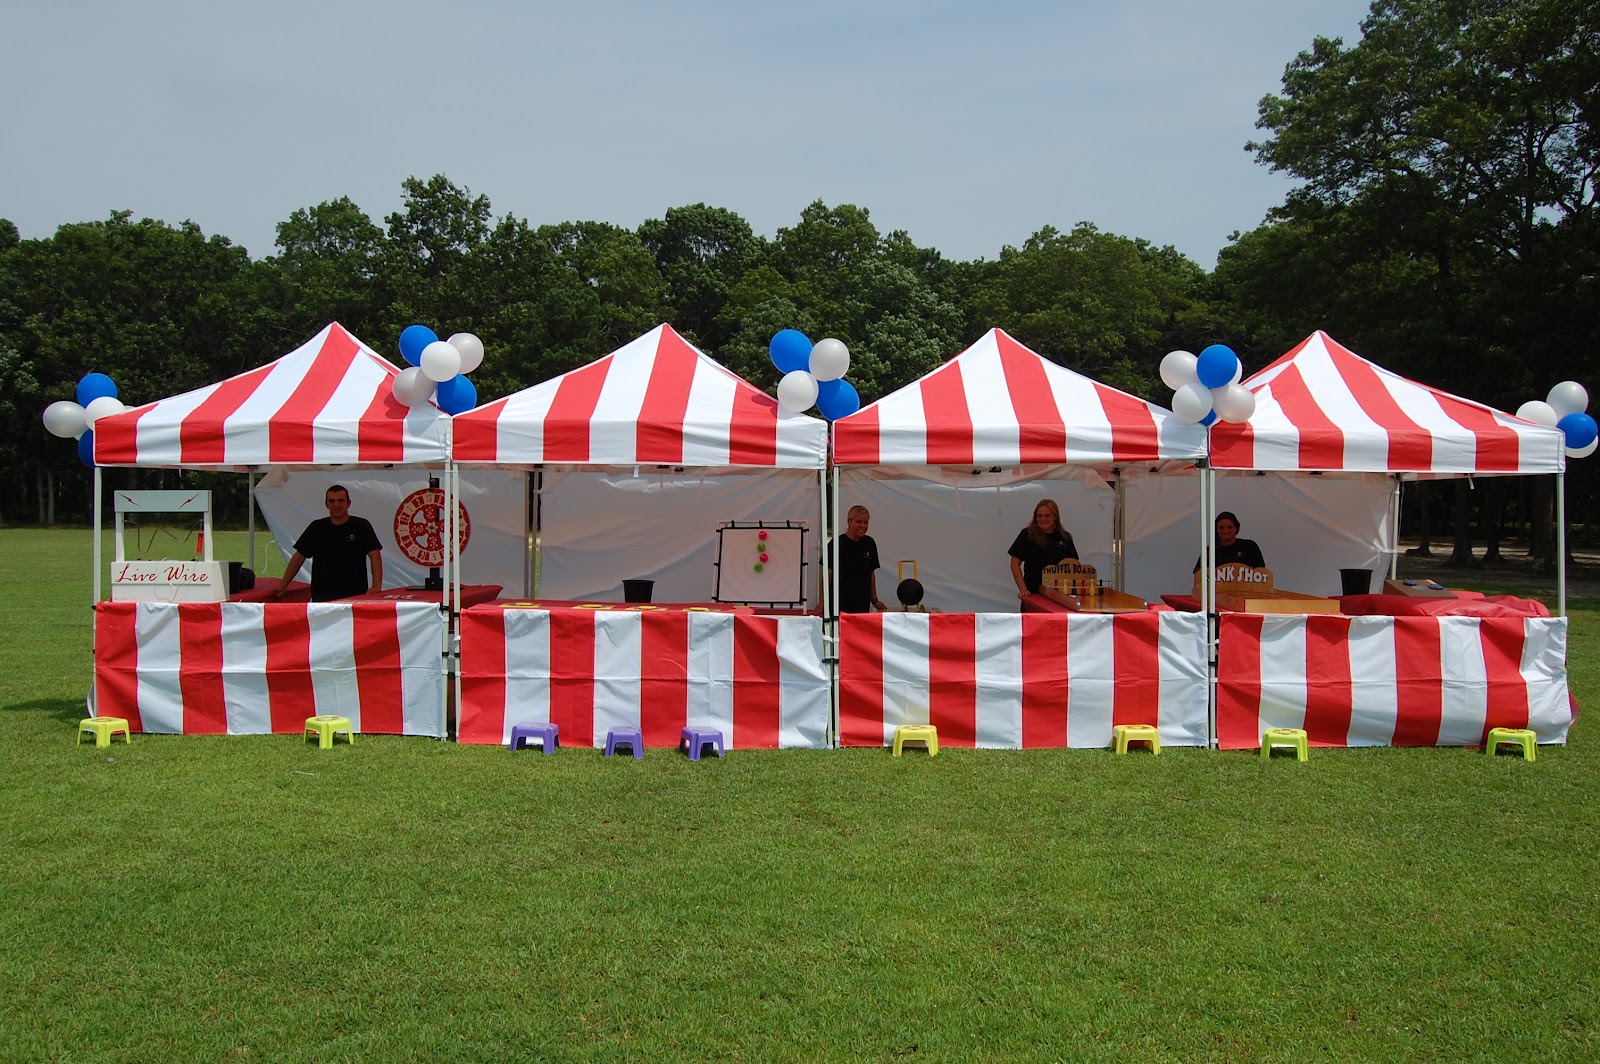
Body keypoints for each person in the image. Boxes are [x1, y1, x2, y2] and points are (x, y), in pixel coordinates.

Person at [273, 484, 384, 602]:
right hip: (322, 598)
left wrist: (376, 586)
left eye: (340, 500)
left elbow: (375, 555)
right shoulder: (316, 527)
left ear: (348, 503)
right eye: (332, 501)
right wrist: (283, 586)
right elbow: (299, 557)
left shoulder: (361, 526)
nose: (336, 505)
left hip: (355, 597)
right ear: (326, 504)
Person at [1008, 499, 1079, 600]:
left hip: (1059, 595)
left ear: (1055, 516)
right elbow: (1014, 564)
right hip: (1033, 594)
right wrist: (1023, 590)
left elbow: (1074, 566)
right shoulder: (1027, 535)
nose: (1043, 519)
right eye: (1039, 516)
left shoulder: (1065, 537)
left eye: (1047, 515)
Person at [829, 505, 886, 613]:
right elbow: (828, 574)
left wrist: (874, 600)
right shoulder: (837, 543)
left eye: (866, 522)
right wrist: (823, 602)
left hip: (862, 604)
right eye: (858, 522)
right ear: (849, 521)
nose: (863, 526)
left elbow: (871, 573)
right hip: (839, 604)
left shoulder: (869, 543)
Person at [1193, 510, 1267, 572]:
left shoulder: (1249, 547)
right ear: (1216, 529)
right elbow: (1198, 577)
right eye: (1221, 528)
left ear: (1236, 528)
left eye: (1229, 527)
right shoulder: (1209, 551)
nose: (1225, 531)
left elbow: (1262, 573)